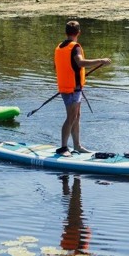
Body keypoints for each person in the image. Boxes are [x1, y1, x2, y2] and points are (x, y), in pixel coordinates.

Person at [54, 20, 111, 156]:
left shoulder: (60, 47)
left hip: (68, 87)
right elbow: (80, 62)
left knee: (76, 116)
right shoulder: (75, 47)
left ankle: (77, 146)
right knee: (71, 117)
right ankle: (63, 148)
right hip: (72, 88)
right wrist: (101, 60)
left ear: (66, 32)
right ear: (79, 33)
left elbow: (57, 66)